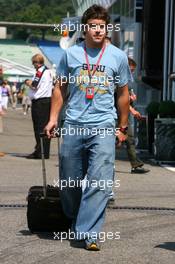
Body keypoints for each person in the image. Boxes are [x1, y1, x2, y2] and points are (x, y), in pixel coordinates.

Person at [45, 5, 131, 250]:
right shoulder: (70, 55)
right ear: (85, 29)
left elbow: (123, 94)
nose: (97, 30)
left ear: (107, 29)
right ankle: (75, 217)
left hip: (103, 125)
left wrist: (122, 126)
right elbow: (60, 89)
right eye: (92, 26)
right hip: (73, 124)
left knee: (100, 182)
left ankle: (89, 232)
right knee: (70, 181)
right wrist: (53, 119)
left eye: (101, 27)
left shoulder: (118, 57)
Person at [26, 54, 53, 159]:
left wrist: (27, 82)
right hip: (46, 101)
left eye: (34, 63)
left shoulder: (40, 72)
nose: (33, 65)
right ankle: (44, 151)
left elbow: (34, 85)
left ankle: (39, 152)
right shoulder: (49, 72)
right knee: (45, 127)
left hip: (40, 102)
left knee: (39, 127)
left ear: (37, 62)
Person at [125, 58, 150, 173]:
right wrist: (132, 110)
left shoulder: (128, 80)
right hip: (114, 114)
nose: (132, 73)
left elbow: (128, 93)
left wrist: (132, 95)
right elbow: (117, 98)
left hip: (124, 114)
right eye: (131, 70)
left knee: (129, 139)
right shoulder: (117, 78)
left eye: (133, 71)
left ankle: (135, 164)